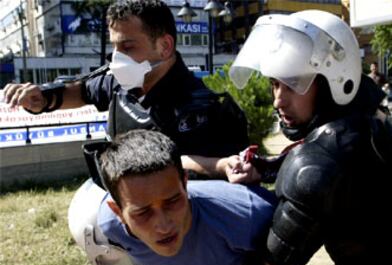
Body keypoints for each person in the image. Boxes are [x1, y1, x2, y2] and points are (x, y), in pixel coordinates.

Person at [224, 10, 392, 265]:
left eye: (293, 83)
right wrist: (267, 169)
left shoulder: (316, 164)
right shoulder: (370, 118)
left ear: (332, 81)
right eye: (275, 83)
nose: (278, 100)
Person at [3, 0, 248, 178]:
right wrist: (41, 99)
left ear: (164, 46)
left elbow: (207, 172)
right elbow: (81, 91)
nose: (117, 59)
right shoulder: (120, 84)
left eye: (128, 47)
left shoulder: (204, 109)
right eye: (114, 48)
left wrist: (219, 166)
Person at [97, 129, 279, 265]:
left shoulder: (247, 214)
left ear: (185, 184)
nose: (163, 225)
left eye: (172, 201)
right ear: (118, 212)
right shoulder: (108, 225)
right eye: (143, 213)